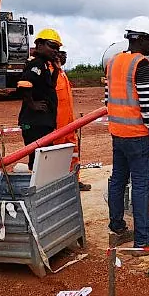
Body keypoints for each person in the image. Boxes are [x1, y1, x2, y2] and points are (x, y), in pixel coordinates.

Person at [105, 16, 149, 248]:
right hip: (138, 135)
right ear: (141, 39)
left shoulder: (113, 61)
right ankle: (142, 240)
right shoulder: (141, 65)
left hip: (117, 132)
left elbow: (107, 98)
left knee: (118, 180)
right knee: (141, 186)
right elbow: (148, 106)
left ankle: (117, 226)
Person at [16, 29, 61, 170]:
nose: (55, 51)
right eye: (52, 46)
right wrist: (32, 104)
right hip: (34, 123)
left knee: (43, 158)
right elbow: (24, 84)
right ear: (40, 45)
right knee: (38, 159)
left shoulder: (45, 65)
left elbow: (50, 87)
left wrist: (57, 70)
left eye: (57, 48)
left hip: (42, 122)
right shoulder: (36, 64)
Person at [53, 50, 92, 192]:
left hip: (69, 124)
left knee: (73, 153)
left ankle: (74, 181)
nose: (64, 56)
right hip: (57, 125)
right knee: (57, 155)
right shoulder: (50, 74)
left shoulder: (61, 73)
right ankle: (58, 185)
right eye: (60, 53)